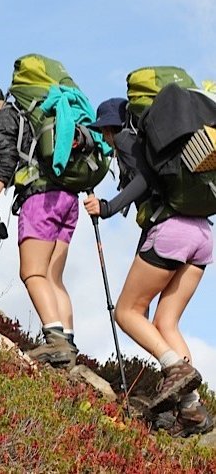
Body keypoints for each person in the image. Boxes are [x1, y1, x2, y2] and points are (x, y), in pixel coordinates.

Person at [83, 98, 213, 437]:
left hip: (171, 231)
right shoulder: (168, 148)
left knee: (126, 312)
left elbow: (142, 178)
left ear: (111, 128)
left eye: (105, 133)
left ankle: (174, 368)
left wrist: (108, 207)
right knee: (166, 323)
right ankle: (192, 409)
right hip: (202, 232)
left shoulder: (128, 141)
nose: (107, 140)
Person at [0, 81, 79, 368]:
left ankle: (55, 342)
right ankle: (69, 343)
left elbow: (4, 165)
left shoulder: (4, 117)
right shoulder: (26, 115)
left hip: (39, 199)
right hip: (67, 198)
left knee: (32, 272)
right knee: (53, 277)